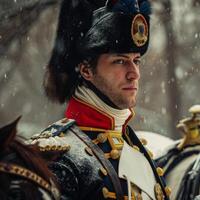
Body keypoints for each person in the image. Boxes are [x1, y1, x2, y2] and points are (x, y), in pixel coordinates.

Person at [29, 0, 171, 199]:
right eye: (120, 61)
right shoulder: (56, 158)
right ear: (86, 69)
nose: (134, 73)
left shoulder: (134, 146)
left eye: (136, 60)